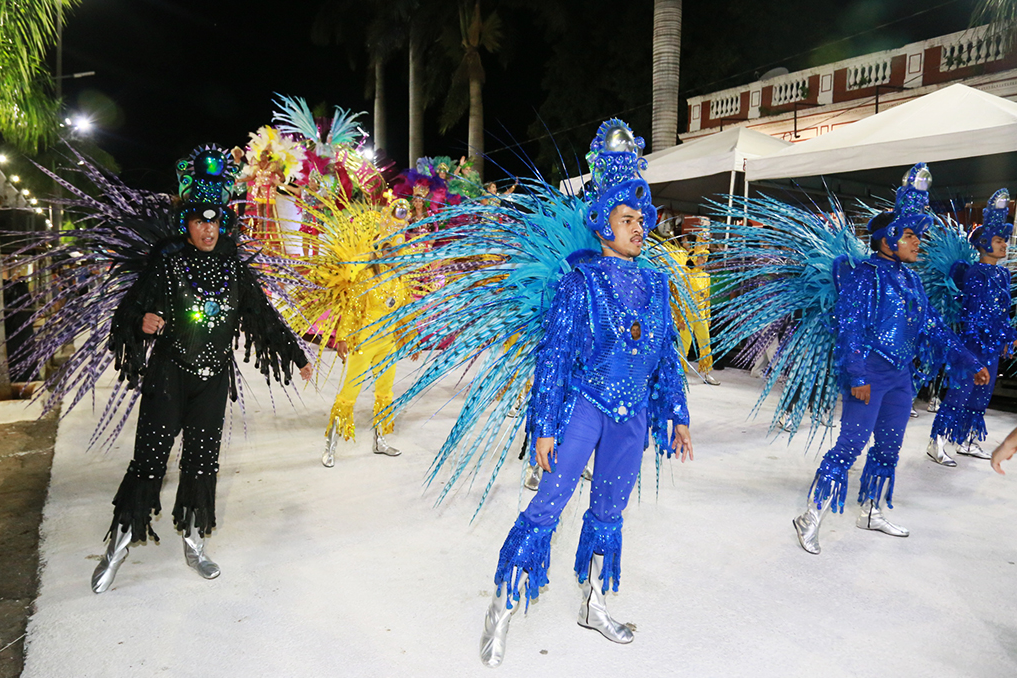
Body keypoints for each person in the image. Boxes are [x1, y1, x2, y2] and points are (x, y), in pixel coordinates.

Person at [479, 120, 693, 667]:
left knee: (609, 511)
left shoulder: (656, 283)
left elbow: (666, 354)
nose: (638, 228)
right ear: (603, 226)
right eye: (627, 220)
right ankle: (502, 608)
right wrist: (545, 425)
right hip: (585, 406)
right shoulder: (581, 281)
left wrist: (678, 414)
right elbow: (553, 356)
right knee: (548, 504)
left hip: (633, 415)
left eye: (642, 220)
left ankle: (593, 603)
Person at [92, 147, 312, 594]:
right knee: (149, 462)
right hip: (169, 375)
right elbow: (128, 313)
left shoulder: (233, 267)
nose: (207, 229)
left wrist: (297, 354)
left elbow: (262, 316)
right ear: (186, 224)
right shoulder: (168, 263)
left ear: (222, 224)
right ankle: (117, 544)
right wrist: (142, 322)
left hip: (213, 381)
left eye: (214, 221)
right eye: (198, 221)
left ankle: (193, 539)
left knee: (201, 462)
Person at [793, 164, 989, 555]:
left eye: (919, 235)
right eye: (912, 235)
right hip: (870, 374)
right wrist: (857, 373)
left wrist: (970, 359)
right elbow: (849, 329)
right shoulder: (864, 275)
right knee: (849, 446)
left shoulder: (911, 280)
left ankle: (870, 510)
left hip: (901, 378)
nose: (919, 242)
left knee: (888, 448)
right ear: (890, 238)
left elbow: (935, 327)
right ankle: (810, 516)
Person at [927, 189, 1015, 466]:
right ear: (985, 243)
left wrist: (1008, 336)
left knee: (982, 394)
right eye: (1000, 240)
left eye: (1006, 241)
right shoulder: (976, 273)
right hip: (973, 344)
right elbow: (972, 313)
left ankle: (967, 439)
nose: (1005, 246)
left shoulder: (1003, 272)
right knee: (961, 392)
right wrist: (985, 339)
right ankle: (937, 442)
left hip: (991, 344)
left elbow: (1003, 310)